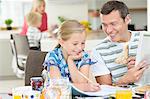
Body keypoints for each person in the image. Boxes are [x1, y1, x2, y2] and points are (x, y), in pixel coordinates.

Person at [91, 0, 149, 86]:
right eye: (104, 25)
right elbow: (106, 90)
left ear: (127, 19)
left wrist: (144, 68)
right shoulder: (98, 51)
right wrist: (125, 80)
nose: (108, 30)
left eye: (113, 24)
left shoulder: (146, 38)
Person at [43, 20, 100, 92]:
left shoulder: (84, 56)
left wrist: (70, 61)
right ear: (61, 42)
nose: (80, 48)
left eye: (83, 43)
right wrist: (82, 87)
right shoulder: (53, 57)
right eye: (75, 44)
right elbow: (58, 86)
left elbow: (81, 83)